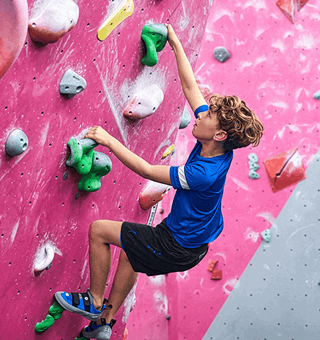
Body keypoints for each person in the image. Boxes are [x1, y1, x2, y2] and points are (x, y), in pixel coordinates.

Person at [54, 24, 264, 339]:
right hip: (188, 240)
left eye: (207, 117)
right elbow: (191, 88)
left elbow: (148, 170)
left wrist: (109, 141)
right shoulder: (216, 144)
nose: (200, 116)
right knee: (130, 250)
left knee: (99, 231)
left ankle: (95, 302)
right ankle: (103, 325)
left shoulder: (201, 174)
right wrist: (177, 45)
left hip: (176, 245)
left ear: (219, 133)